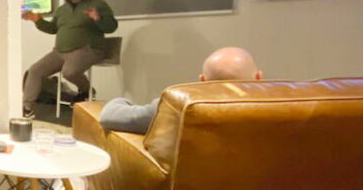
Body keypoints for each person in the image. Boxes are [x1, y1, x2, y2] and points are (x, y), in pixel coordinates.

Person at [99, 47, 264, 135]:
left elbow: (109, 116)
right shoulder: (288, 107)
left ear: (202, 81)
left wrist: (120, 100)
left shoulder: (177, 107)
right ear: (259, 77)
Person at [21, 0, 118, 119]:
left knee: (69, 72)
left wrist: (97, 18)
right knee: (35, 70)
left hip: (88, 49)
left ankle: (85, 90)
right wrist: (38, 20)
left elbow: (111, 27)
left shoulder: (98, 4)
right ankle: (26, 108)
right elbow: (52, 29)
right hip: (59, 52)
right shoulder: (62, 9)